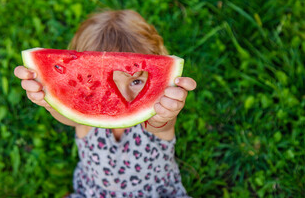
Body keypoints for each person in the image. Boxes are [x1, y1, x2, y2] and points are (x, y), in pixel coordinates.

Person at [14, 10, 197, 197]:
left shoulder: (155, 118)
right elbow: (69, 117)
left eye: (136, 81)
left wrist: (166, 114)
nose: (122, 96)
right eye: (100, 84)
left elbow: (162, 126)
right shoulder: (86, 117)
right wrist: (49, 102)